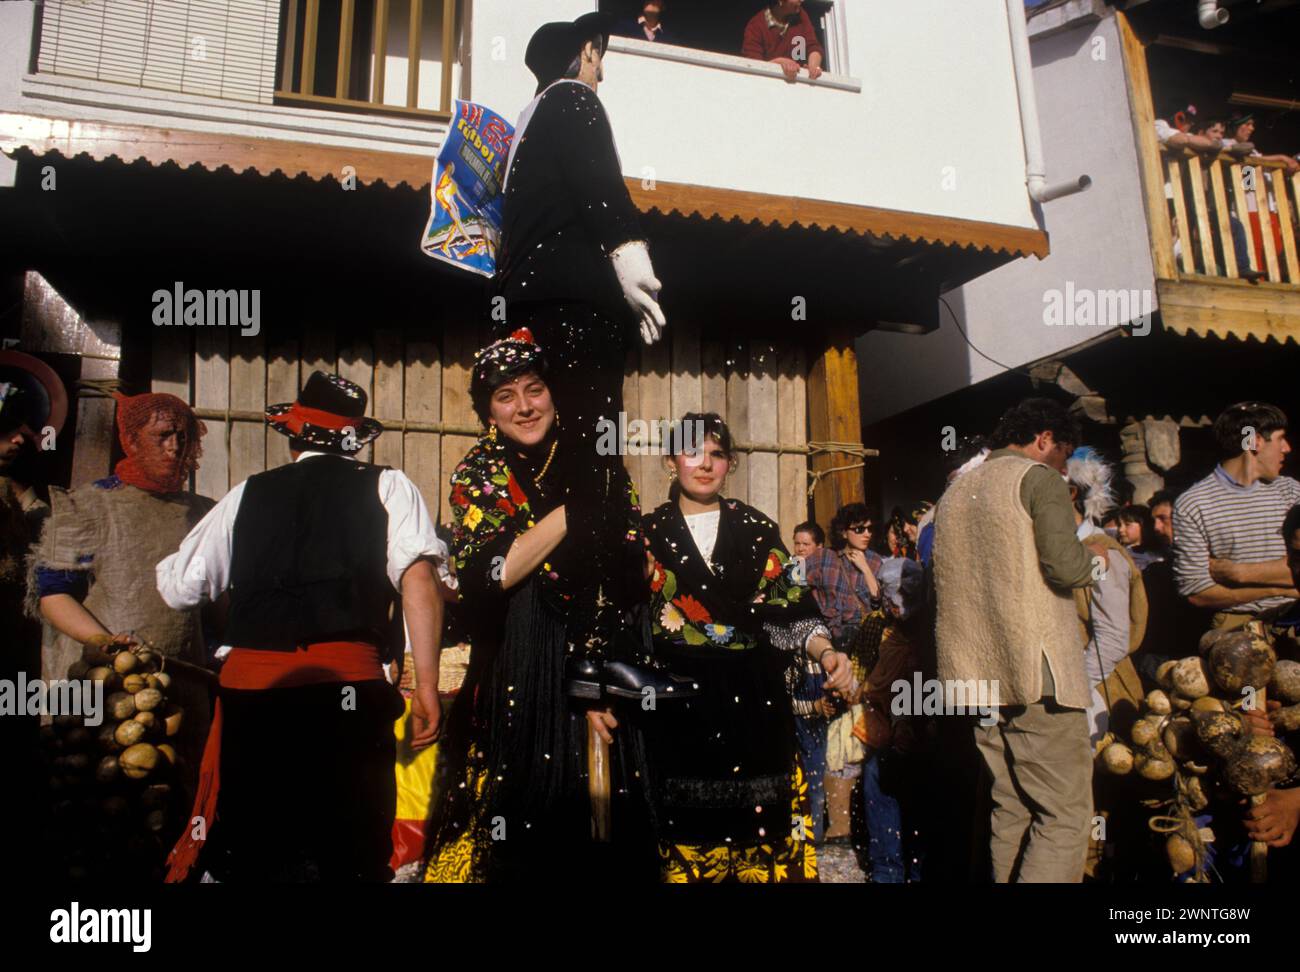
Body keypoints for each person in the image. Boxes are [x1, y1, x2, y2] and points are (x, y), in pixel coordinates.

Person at [154, 372, 446, 883]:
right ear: (356, 442)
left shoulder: (248, 494)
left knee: (257, 852)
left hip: (254, 701)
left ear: (293, 440)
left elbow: (180, 587)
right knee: (350, 851)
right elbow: (418, 577)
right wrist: (426, 687)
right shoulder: (387, 485)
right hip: (345, 697)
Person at [423, 331, 678, 883]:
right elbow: (497, 572)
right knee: (528, 833)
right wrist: (573, 508)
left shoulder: (599, 462)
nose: (524, 406)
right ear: (488, 411)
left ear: (554, 394)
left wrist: (603, 675)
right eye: (505, 396)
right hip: (522, 674)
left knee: (607, 835)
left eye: (534, 390)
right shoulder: (479, 473)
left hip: (606, 663)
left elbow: (634, 569)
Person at [495, 12, 666, 681]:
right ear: (585, 52)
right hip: (575, 305)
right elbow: (602, 189)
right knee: (596, 456)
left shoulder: (520, 130)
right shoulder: (573, 100)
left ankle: (569, 625)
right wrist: (633, 262)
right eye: (601, 56)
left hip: (530, 307)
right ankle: (598, 640)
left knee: (561, 456)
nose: (603, 69)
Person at [642, 412, 854, 882]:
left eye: (717, 454)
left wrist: (826, 652)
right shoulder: (648, 533)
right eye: (693, 451)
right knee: (685, 835)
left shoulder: (756, 528)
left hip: (753, 703)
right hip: (677, 707)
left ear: (730, 463)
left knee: (761, 831)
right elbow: (628, 620)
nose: (705, 464)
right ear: (669, 460)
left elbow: (790, 606)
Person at [932, 398, 1106, 883]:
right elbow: (1065, 566)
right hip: (1038, 673)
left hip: (976, 678)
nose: (1063, 468)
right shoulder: (1038, 478)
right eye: (1063, 454)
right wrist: (1099, 561)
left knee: (1011, 806)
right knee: (1065, 814)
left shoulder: (957, 491)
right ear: (1045, 439)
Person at [34, 392, 215, 780]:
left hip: (184, 686)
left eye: (183, 437)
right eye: (163, 435)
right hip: (104, 684)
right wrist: (108, 644)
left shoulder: (204, 513)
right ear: (131, 441)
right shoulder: (86, 505)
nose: (175, 447)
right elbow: (53, 594)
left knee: (177, 795)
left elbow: (219, 599)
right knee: (99, 792)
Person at [1173, 401, 1300, 631]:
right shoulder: (1193, 504)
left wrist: (1238, 573)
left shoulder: (1291, 493)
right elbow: (1197, 592)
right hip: (1235, 625)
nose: (1287, 448)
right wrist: (1278, 588)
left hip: (1294, 615)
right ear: (1254, 441)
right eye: (1281, 438)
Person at [806, 502, 881, 842]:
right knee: (825, 734)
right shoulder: (824, 559)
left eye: (869, 529)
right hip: (826, 656)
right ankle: (824, 825)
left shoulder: (877, 562)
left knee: (854, 737)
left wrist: (866, 570)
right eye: (859, 529)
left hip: (864, 658)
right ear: (843, 531)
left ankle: (849, 825)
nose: (866, 534)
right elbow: (796, 589)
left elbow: (885, 607)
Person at [853, 556, 928, 883]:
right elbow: (867, 676)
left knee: (915, 801)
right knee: (879, 785)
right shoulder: (879, 628)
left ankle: (914, 869)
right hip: (885, 729)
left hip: (924, 727)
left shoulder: (929, 632)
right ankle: (887, 871)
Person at [1066, 449, 1147, 744]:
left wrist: (1076, 689)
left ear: (1070, 493)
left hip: (1098, 690)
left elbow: (1113, 635)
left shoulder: (1101, 551)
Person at [790, 520, 830, 841]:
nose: (800, 550)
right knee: (797, 770)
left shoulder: (827, 578)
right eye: (797, 544)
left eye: (805, 545)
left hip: (819, 676)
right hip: (797, 677)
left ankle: (811, 838)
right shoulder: (791, 577)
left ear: (818, 547)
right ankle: (800, 836)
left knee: (815, 769)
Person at [742, 1, 825, 83]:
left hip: (798, 86)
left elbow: (813, 46)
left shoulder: (801, 16)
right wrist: (779, 62)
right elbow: (753, 67)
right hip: (769, 86)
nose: (802, 0)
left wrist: (813, 66)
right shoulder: (755, 26)